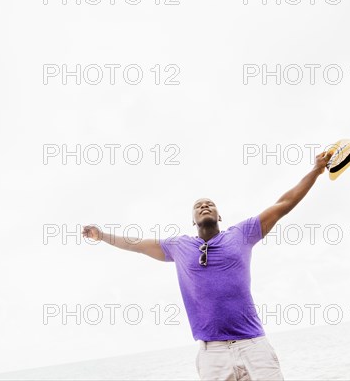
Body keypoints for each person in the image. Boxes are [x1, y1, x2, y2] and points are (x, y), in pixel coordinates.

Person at [82, 151, 333, 381]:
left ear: (219, 215)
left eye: (210, 203)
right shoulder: (178, 246)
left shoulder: (242, 234)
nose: (204, 205)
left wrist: (315, 170)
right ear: (192, 219)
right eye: (198, 205)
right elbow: (135, 244)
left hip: (253, 344)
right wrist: (101, 235)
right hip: (211, 353)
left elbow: (283, 204)